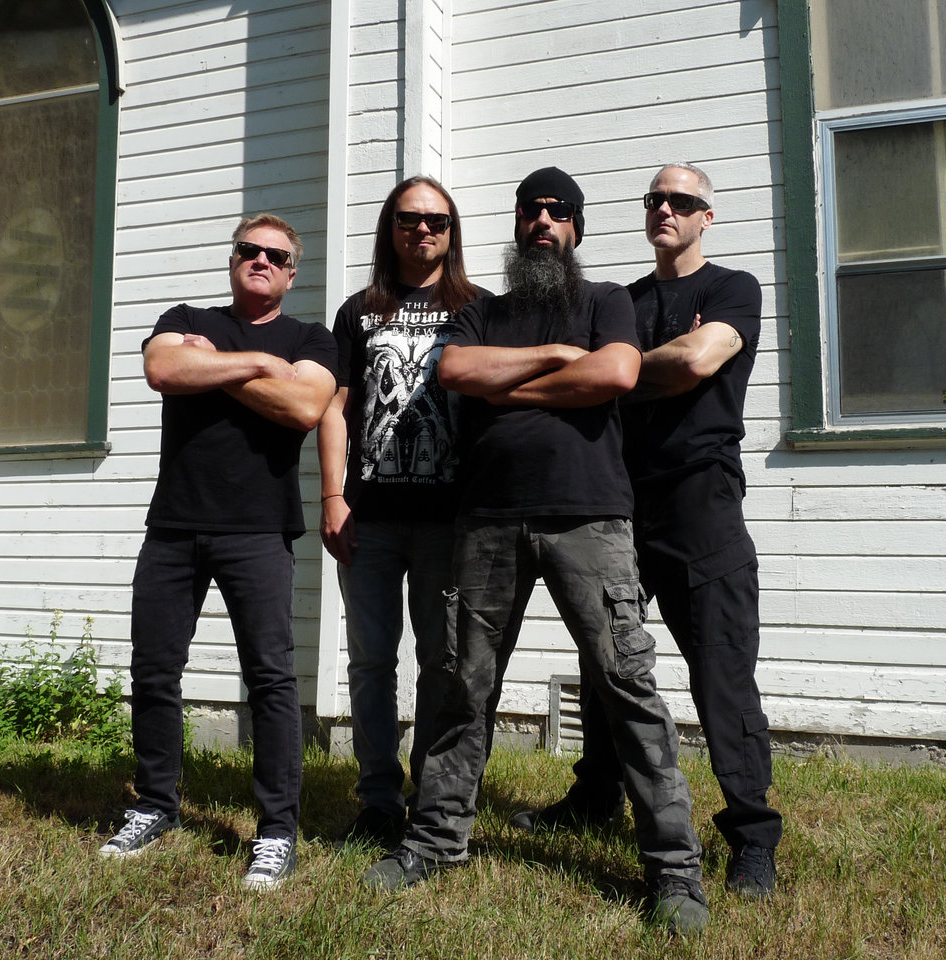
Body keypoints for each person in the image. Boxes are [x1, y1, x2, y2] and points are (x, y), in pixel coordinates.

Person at [361, 167, 710, 935]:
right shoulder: (482, 311)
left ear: (576, 228)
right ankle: (435, 839)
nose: (543, 221)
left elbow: (617, 371)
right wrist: (558, 355)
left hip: (591, 516)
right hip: (486, 519)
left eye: (559, 212)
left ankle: (674, 871)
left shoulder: (606, 301)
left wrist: (509, 388)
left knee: (626, 684)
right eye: (532, 210)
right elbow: (456, 370)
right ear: (518, 223)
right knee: (463, 685)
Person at [511, 163, 783, 898]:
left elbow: (696, 358)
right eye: (656, 199)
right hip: (623, 500)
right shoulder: (623, 301)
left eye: (682, 200)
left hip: (701, 502)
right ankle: (595, 795)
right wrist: (620, 367)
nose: (666, 208)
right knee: (610, 664)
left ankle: (752, 834)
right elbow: (596, 382)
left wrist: (627, 367)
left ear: (706, 217)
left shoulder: (732, 289)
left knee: (721, 672)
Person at [98, 214, 337, 892]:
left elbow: (304, 409)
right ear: (233, 259)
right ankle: (155, 805)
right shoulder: (185, 317)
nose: (261, 260)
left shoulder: (311, 339)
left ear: (292, 273)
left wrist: (217, 367)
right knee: (154, 671)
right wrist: (260, 366)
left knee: (270, 679)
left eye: (276, 256)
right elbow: (162, 367)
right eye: (249, 250)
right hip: (174, 526)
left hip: (259, 531)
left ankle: (277, 830)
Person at [318, 176, 486, 847]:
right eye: (408, 218)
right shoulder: (359, 311)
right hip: (372, 517)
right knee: (370, 662)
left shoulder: (477, 309)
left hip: (450, 520)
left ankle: (433, 793)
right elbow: (336, 407)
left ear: (452, 232)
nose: (422, 229)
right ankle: (379, 800)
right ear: (390, 227)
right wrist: (333, 496)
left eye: (436, 221)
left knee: (442, 664)